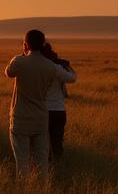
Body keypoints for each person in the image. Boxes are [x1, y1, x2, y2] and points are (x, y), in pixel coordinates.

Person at [6, 29, 73, 177]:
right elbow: (70, 77)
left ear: (26, 45)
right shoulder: (50, 66)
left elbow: (8, 72)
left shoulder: (19, 62)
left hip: (21, 118)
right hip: (41, 118)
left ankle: (25, 191)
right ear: (43, 45)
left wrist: (23, 54)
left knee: (22, 161)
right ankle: (43, 189)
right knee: (42, 161)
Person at [40, 42, 76, 163]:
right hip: (58, 110)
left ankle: (46, 166)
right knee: (57, 142)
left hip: (41, 111)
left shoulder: (37, 66)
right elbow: (73, 77)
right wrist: (64, 63)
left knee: (42, 143)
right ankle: (58, 165)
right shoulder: (57, 67)